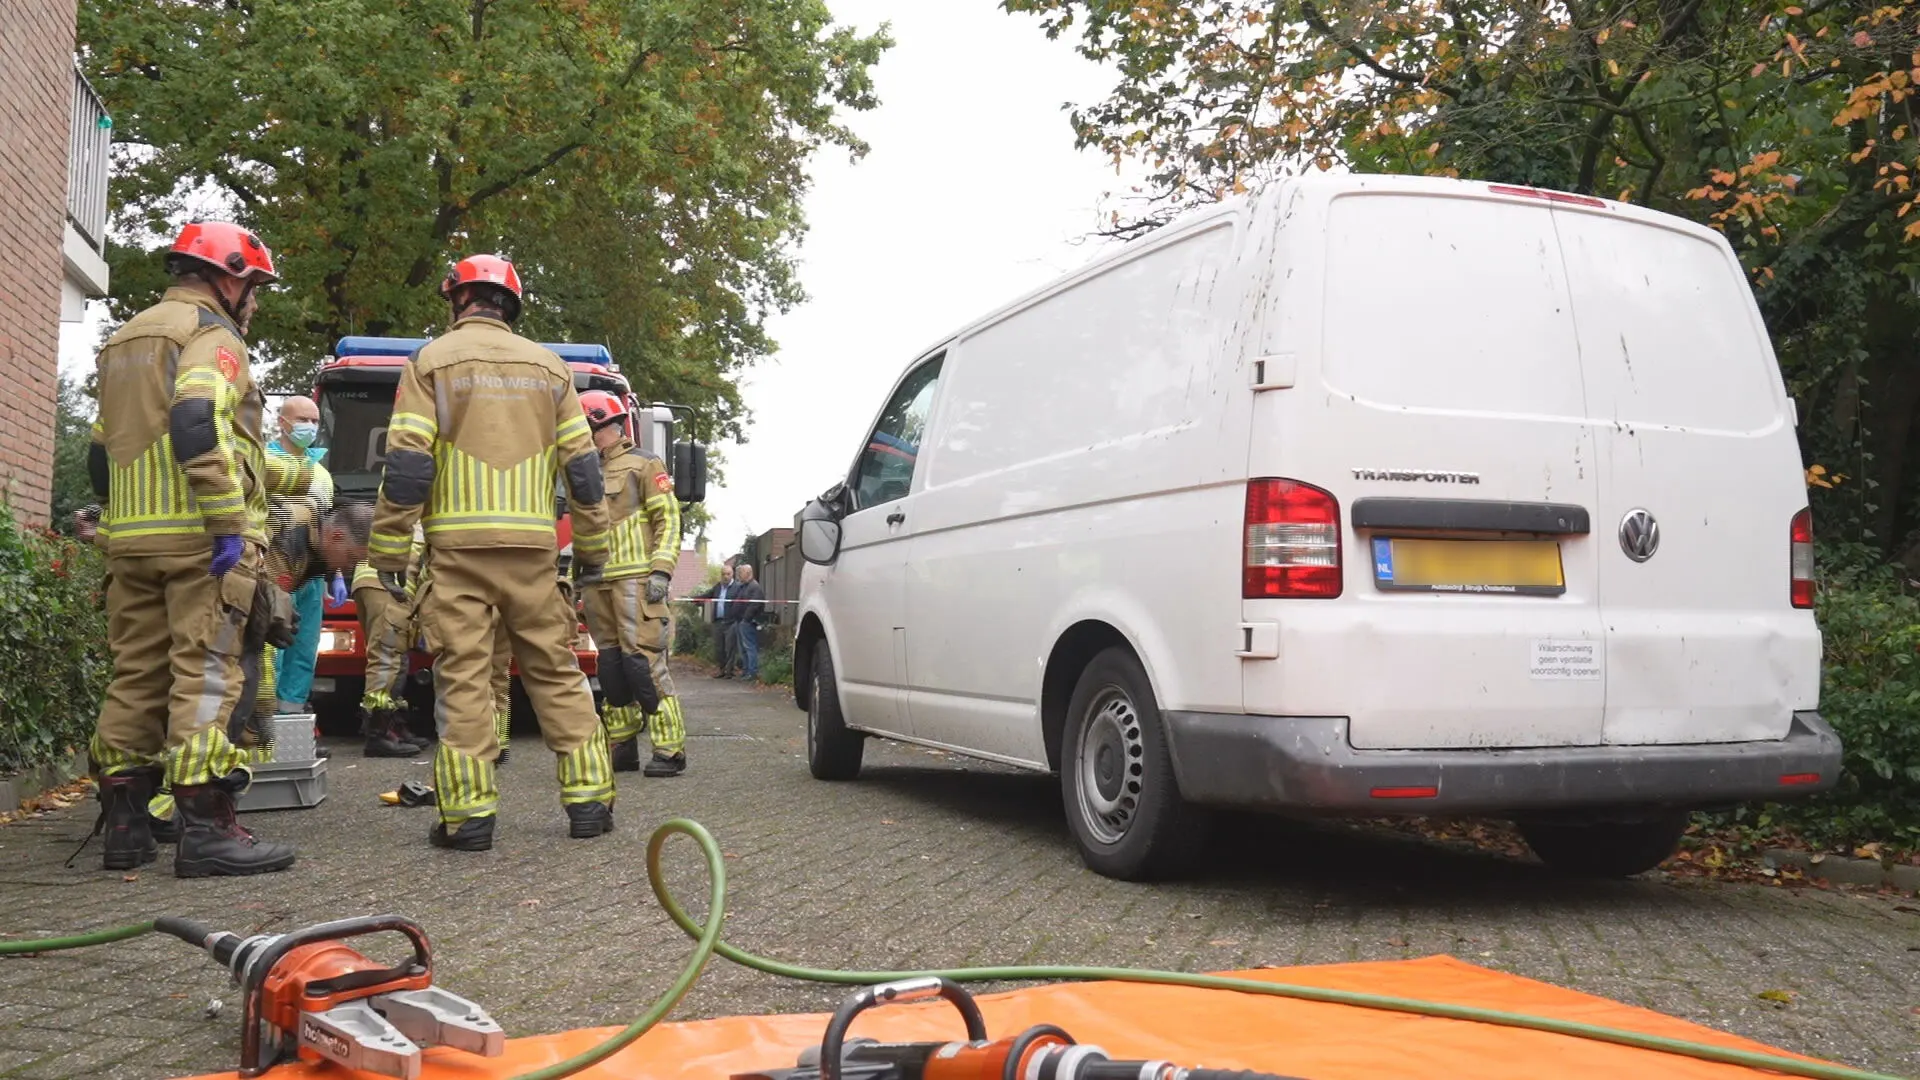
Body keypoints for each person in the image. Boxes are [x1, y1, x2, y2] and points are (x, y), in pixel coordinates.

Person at [85, 220, 312, 877]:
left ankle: (124, 828)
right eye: (256, 289)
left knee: (136, 676)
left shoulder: (124, 339)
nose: (257, 303)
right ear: (229, 277)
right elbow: (194, 419)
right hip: (198, 540)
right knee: (208, 673)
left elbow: (100, 451)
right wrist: (223, 523)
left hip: (132, 538)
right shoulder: (213, 337)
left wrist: (117, 519)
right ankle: (208, 829)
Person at [369, 253, 613, 852]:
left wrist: (390, 551)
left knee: (465, 681)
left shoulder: (430, 363)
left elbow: (406, 466)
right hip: (533, 555)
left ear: (456, 300)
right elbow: (583, 472)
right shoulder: (551, 369)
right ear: (512, 306)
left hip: (456, 555)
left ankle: (469, 819)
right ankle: (590, 806)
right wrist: (594, 552)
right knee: (557, 675)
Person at [575, 391, 689, 778]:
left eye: (588, 428)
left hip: (637, 581)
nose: (585, 436)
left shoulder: (644, 464)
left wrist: (661, 571)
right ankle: (621, 746)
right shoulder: (583, 468)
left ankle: (669, 749)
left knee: (643, 665)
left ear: (607, 425)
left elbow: (669, 520)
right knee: (610, 669)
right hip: (596, 583)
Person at [265, 395, 338, 717]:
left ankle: (292, 721)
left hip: (311, 574)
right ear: (282, 422)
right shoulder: (264, 463)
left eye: (314, 421)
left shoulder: (321, 474)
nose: (309, 426)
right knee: (272, 651)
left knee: (305, 651)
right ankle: (263, 729)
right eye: (302, 420)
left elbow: (326, 524)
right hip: (275, 570)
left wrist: (332, 575)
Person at [698, 558, 739, 677]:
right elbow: (707, 595)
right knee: (719, 648)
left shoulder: (737, 587)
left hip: (730, 622)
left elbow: (741, 604)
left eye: (728, 574)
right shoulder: (718, 587)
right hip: (718, 622)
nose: (725, 576)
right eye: (723, 574)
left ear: (732, 574)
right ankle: (721, 669)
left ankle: (729, 671)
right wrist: (694, 599)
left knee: (730, 648)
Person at [730, 562, 767, 681]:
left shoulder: (754, 587)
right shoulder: (743, 586)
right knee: (743, 649)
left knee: (749, 647)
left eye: (741, 573)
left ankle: (752, 672)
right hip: (740, 621)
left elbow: (754, 605)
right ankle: (746, 671)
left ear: (748, 573)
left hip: (748, 622)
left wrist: (746, 619)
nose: (739, 575)